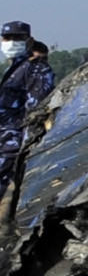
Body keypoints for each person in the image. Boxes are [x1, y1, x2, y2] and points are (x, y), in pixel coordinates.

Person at [0, 24, 54, 192]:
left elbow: (36, 113)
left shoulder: (36, 68)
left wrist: (27, 151)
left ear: (29, 41)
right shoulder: (15, 68)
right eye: (7, 38)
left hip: (13, 145)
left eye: (18, 38)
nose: (11, 42)